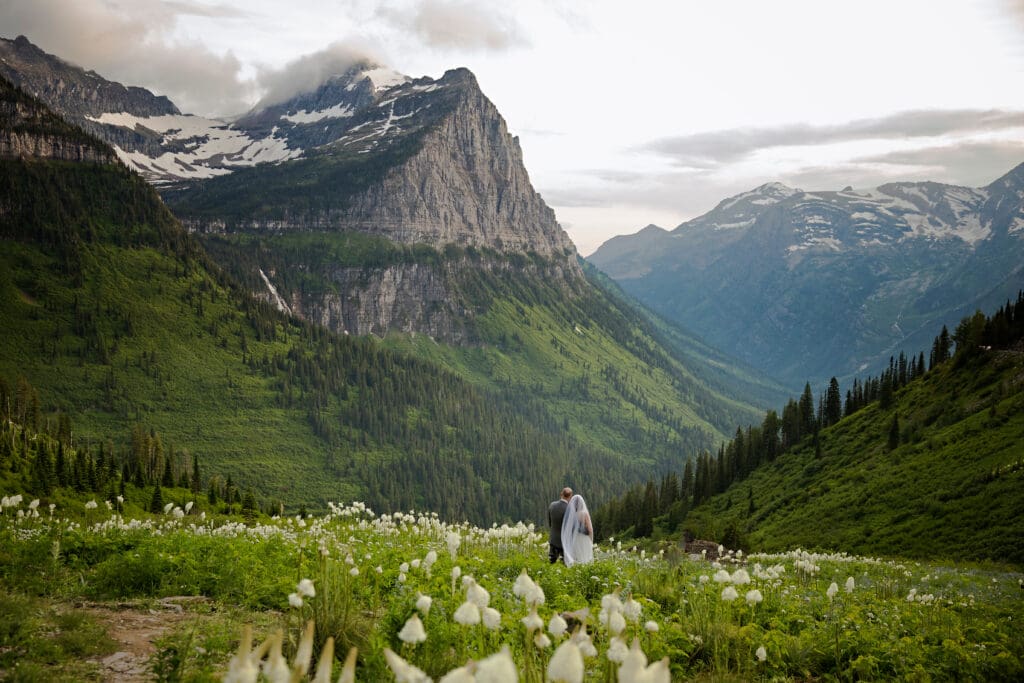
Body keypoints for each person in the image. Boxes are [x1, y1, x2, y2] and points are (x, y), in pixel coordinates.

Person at [562, 493, 594, 567]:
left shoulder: (572, 514)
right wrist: (591, 540)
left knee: (577, 558)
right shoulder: (584, 513)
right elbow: (590, 529)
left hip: (575, 539)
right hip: (584, 539)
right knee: (586, 558)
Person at [547, 487, 573, 563]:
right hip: (565, 541)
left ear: (561, 494)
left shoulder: (552, 505)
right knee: (564, 564)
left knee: (551, 562)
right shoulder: (569, 508)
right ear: (570, 496)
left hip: (553, 539)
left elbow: (550, 523)